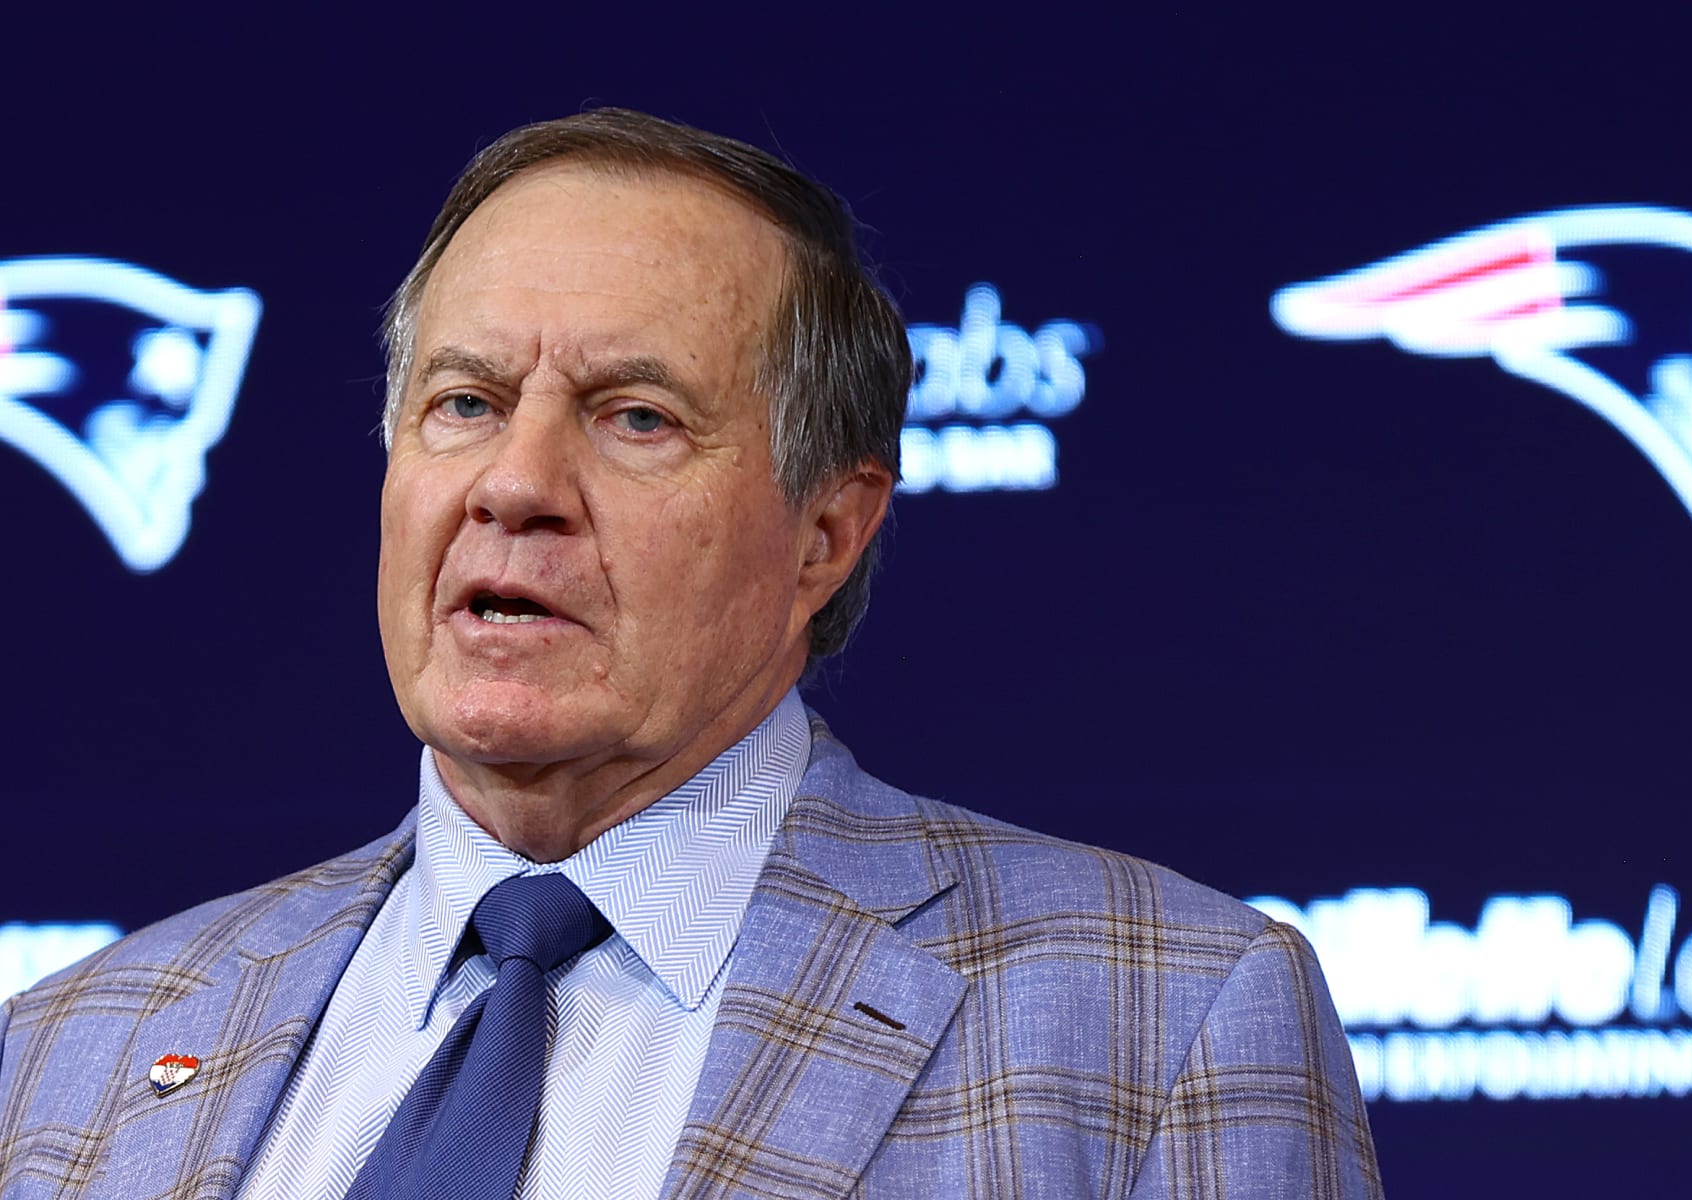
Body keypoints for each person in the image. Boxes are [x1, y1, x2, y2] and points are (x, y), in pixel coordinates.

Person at [0, 109, 1382, 1198]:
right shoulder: (74, 1048)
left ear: (825, 533)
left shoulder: (1166, 1019)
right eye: (466, 402)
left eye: (636, 417)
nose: (515, 484)